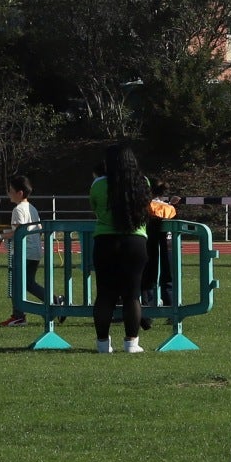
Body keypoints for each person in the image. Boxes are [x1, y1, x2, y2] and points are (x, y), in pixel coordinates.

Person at [89, 143, 149, 354]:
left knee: (104, 294)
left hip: (105, 241)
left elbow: (95, 207)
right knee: (132, 295)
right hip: (135, 242)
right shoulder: (143, 182)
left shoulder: (98, 184)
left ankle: (103, 344)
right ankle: (132, 343)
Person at [5, 176, 46, 326]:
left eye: (10, 191)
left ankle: (18, 316)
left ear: (20, 193)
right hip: (35, 252)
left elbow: (18, 232)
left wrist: (1, 236)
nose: (8, 193)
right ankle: (54, 300)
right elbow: (39, 229)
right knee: (28, 283)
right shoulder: (32, 208)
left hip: (24, 253)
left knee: (17, 284)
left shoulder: (18, 210)